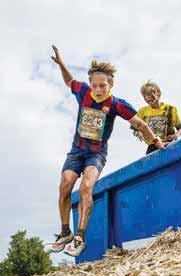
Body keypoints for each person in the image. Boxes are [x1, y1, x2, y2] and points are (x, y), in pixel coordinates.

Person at [50, 46, 164, 256]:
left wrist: (156, 141)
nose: (98, 89)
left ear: (110, 84)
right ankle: (65, 232)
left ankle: (80, 237)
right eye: (95, 85)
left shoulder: (117, 105)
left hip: (96, 154)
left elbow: (139, 124)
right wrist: (61, 64)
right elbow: (69, 82)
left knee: (86, 187)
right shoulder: (83, 92)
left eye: (102, 85)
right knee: (65, 185)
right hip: (76, 151)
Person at [133, 80, 181, 155]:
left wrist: (176, 135)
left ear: (158, 93)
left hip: (169, 144)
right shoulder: (142, 111)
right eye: (144, 96)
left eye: (149, 94)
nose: (147, 98)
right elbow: (135, 130)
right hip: (152, 146)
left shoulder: (170, 109)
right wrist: (139, 132)